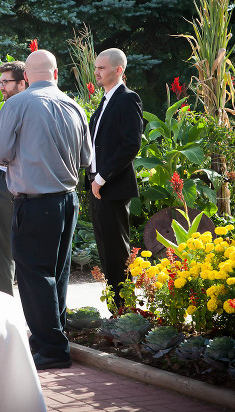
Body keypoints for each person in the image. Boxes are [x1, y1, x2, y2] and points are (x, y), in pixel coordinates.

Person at [0, 49, 92, 370]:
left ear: (27, 77)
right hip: (67, 199)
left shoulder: (17, 104)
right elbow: (87, 158)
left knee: (34, 275)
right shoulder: (73, 105)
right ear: (56, 73)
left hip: (35, 201)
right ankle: (50, 341)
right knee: (57, 274)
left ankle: (51, 349)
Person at [86, 48, 143, 310]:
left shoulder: (127, 99)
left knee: (117, 252)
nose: (96, 72)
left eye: (102, 68)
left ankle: (125, 310)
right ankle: (116, 310)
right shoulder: (105, 100)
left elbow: (130, 145)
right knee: (107, 252)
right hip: (98, 187)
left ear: (118, 70)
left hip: (112, 187)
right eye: (96, 67)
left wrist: (102, 178)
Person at [0, 60, 28, 295]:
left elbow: (0, 150)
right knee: (2, 245)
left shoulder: (20, 108)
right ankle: (4, 299)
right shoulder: (7, 106)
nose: (1, 87)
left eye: (6, 82)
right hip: (3, 180)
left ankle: (17, 300)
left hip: (12, 182)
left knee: (10, 246)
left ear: (22, 83)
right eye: (0, 82)